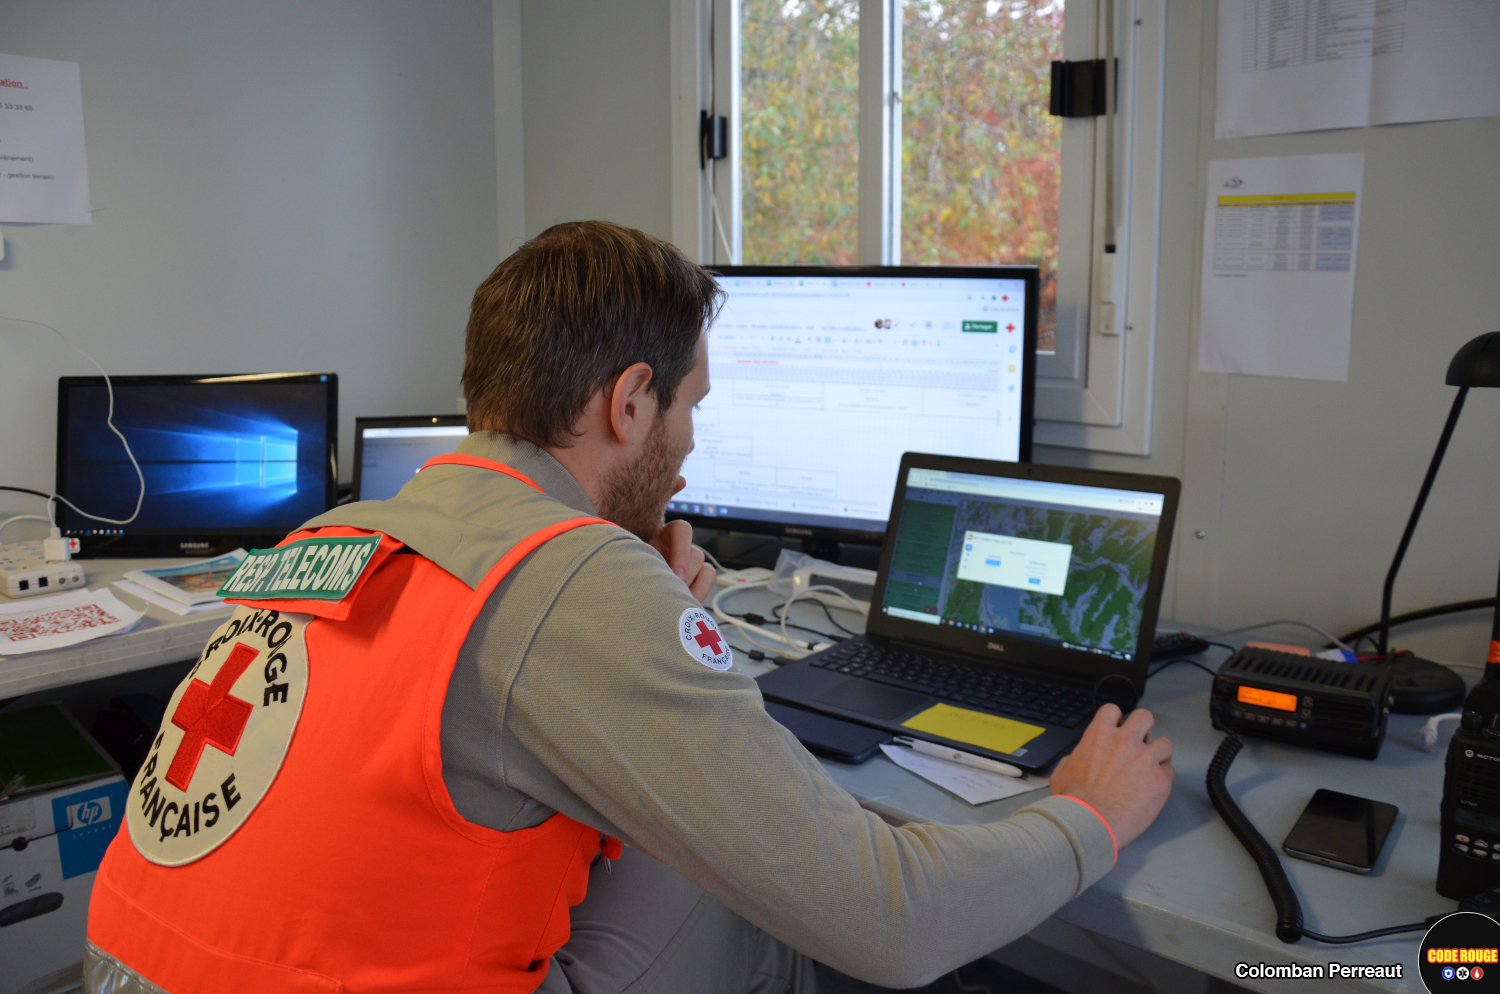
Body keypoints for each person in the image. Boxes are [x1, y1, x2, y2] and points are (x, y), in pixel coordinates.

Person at [84, 221, 1175, 994]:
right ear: (630, 400)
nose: (692, 442)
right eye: (691, 403)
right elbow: (891, 921)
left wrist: (646, 620)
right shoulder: (575, 580)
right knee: (753, 882)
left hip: (128, 967)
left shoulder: (336, 536)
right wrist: (1088, 817)